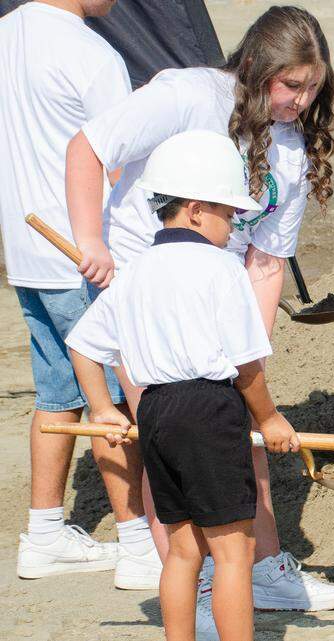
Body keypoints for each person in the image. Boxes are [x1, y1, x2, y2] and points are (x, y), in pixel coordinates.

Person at [63, 5, 334, 635]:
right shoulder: (188, 95)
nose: (300, 101)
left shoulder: (290, 150)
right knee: (180, 469)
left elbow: (266, 262)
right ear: (255, 65)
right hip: (148, 291)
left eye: (312, 89)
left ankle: (262, 568)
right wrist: (92, 241)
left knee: (244, 445)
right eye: (290, 84)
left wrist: (247, 358)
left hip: (219, 300)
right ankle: (198, 598)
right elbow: (88, 147)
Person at [66, 130, 301, 641]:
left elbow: (82, 345)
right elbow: (246, 365)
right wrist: (269, 418)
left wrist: (104, 407)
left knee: (183, 549)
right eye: (228, 213)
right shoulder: (221, 269)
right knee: (232, 549)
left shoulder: (134, 272)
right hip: (208, 409)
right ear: (196, 209)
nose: (233, 223)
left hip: (154, 412)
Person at [0, 0, 160, 589]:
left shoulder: (6, 33)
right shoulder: (90, 52)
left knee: (57, 391)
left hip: (27, 249)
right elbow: (120, 161)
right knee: (111, 395)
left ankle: (44, 532)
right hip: (84, 254)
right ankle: (138, 540)